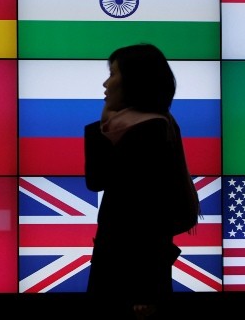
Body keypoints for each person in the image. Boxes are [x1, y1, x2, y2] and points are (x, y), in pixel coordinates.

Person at [84, 43, 198, 319]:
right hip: (128, 269)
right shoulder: (151, 126)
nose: (106, 83)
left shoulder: (146, 133)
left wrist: (145, 291)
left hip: (131, 277)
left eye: (113, 74)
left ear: (133, 81)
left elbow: (147, 216)